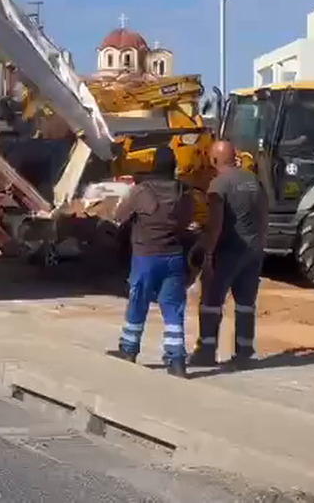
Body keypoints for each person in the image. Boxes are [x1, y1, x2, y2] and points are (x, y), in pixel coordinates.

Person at [108, 145, 194, 377]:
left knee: (138, 302)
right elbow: (188, 221)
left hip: (146, 256)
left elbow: (118, 217)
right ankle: (177, 362)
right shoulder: (183, 192)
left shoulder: (141, 191)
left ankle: (128, 350)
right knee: (173, 309)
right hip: (174, 256)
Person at [189, 140, 269, 370]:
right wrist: (259, 245)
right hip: (253, 251)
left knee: (211, 302)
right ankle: (244, 352)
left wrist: (206, 255)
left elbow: (215, 225)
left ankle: (206, 351)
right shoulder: (254, 181)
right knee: (246, 303)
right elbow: (264, 215)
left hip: (228, 251)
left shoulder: (219, 185)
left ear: (214, 160)